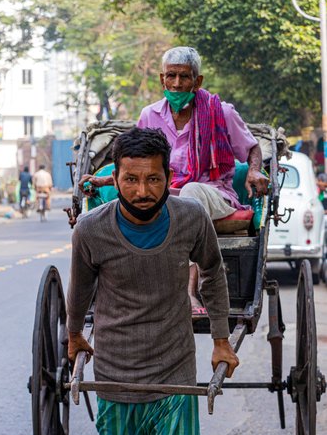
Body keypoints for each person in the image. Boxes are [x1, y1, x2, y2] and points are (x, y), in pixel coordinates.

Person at [67, 127, 239, 435]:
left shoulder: (191, 218)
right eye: (130, 179)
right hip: (116, 376)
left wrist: (221, 340)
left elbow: (212, 272)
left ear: (169, 179)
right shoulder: (91, 229)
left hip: (174, 375)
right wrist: (74, 334)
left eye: (152, 179)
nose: (142, 191)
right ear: (114, 179)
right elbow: (79, 291)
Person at [78, 46, 269, 315]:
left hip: (214, 194)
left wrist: (253, 170)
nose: (177, 84)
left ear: (197, 81)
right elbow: (137, 166)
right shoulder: (150, 116)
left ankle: (189, 292)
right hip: (164, 193)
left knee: (189, 193)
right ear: (162, 79)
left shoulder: (221, 112)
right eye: (171, 76)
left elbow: (252, 148)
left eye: (184, 77)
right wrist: (105, 182)